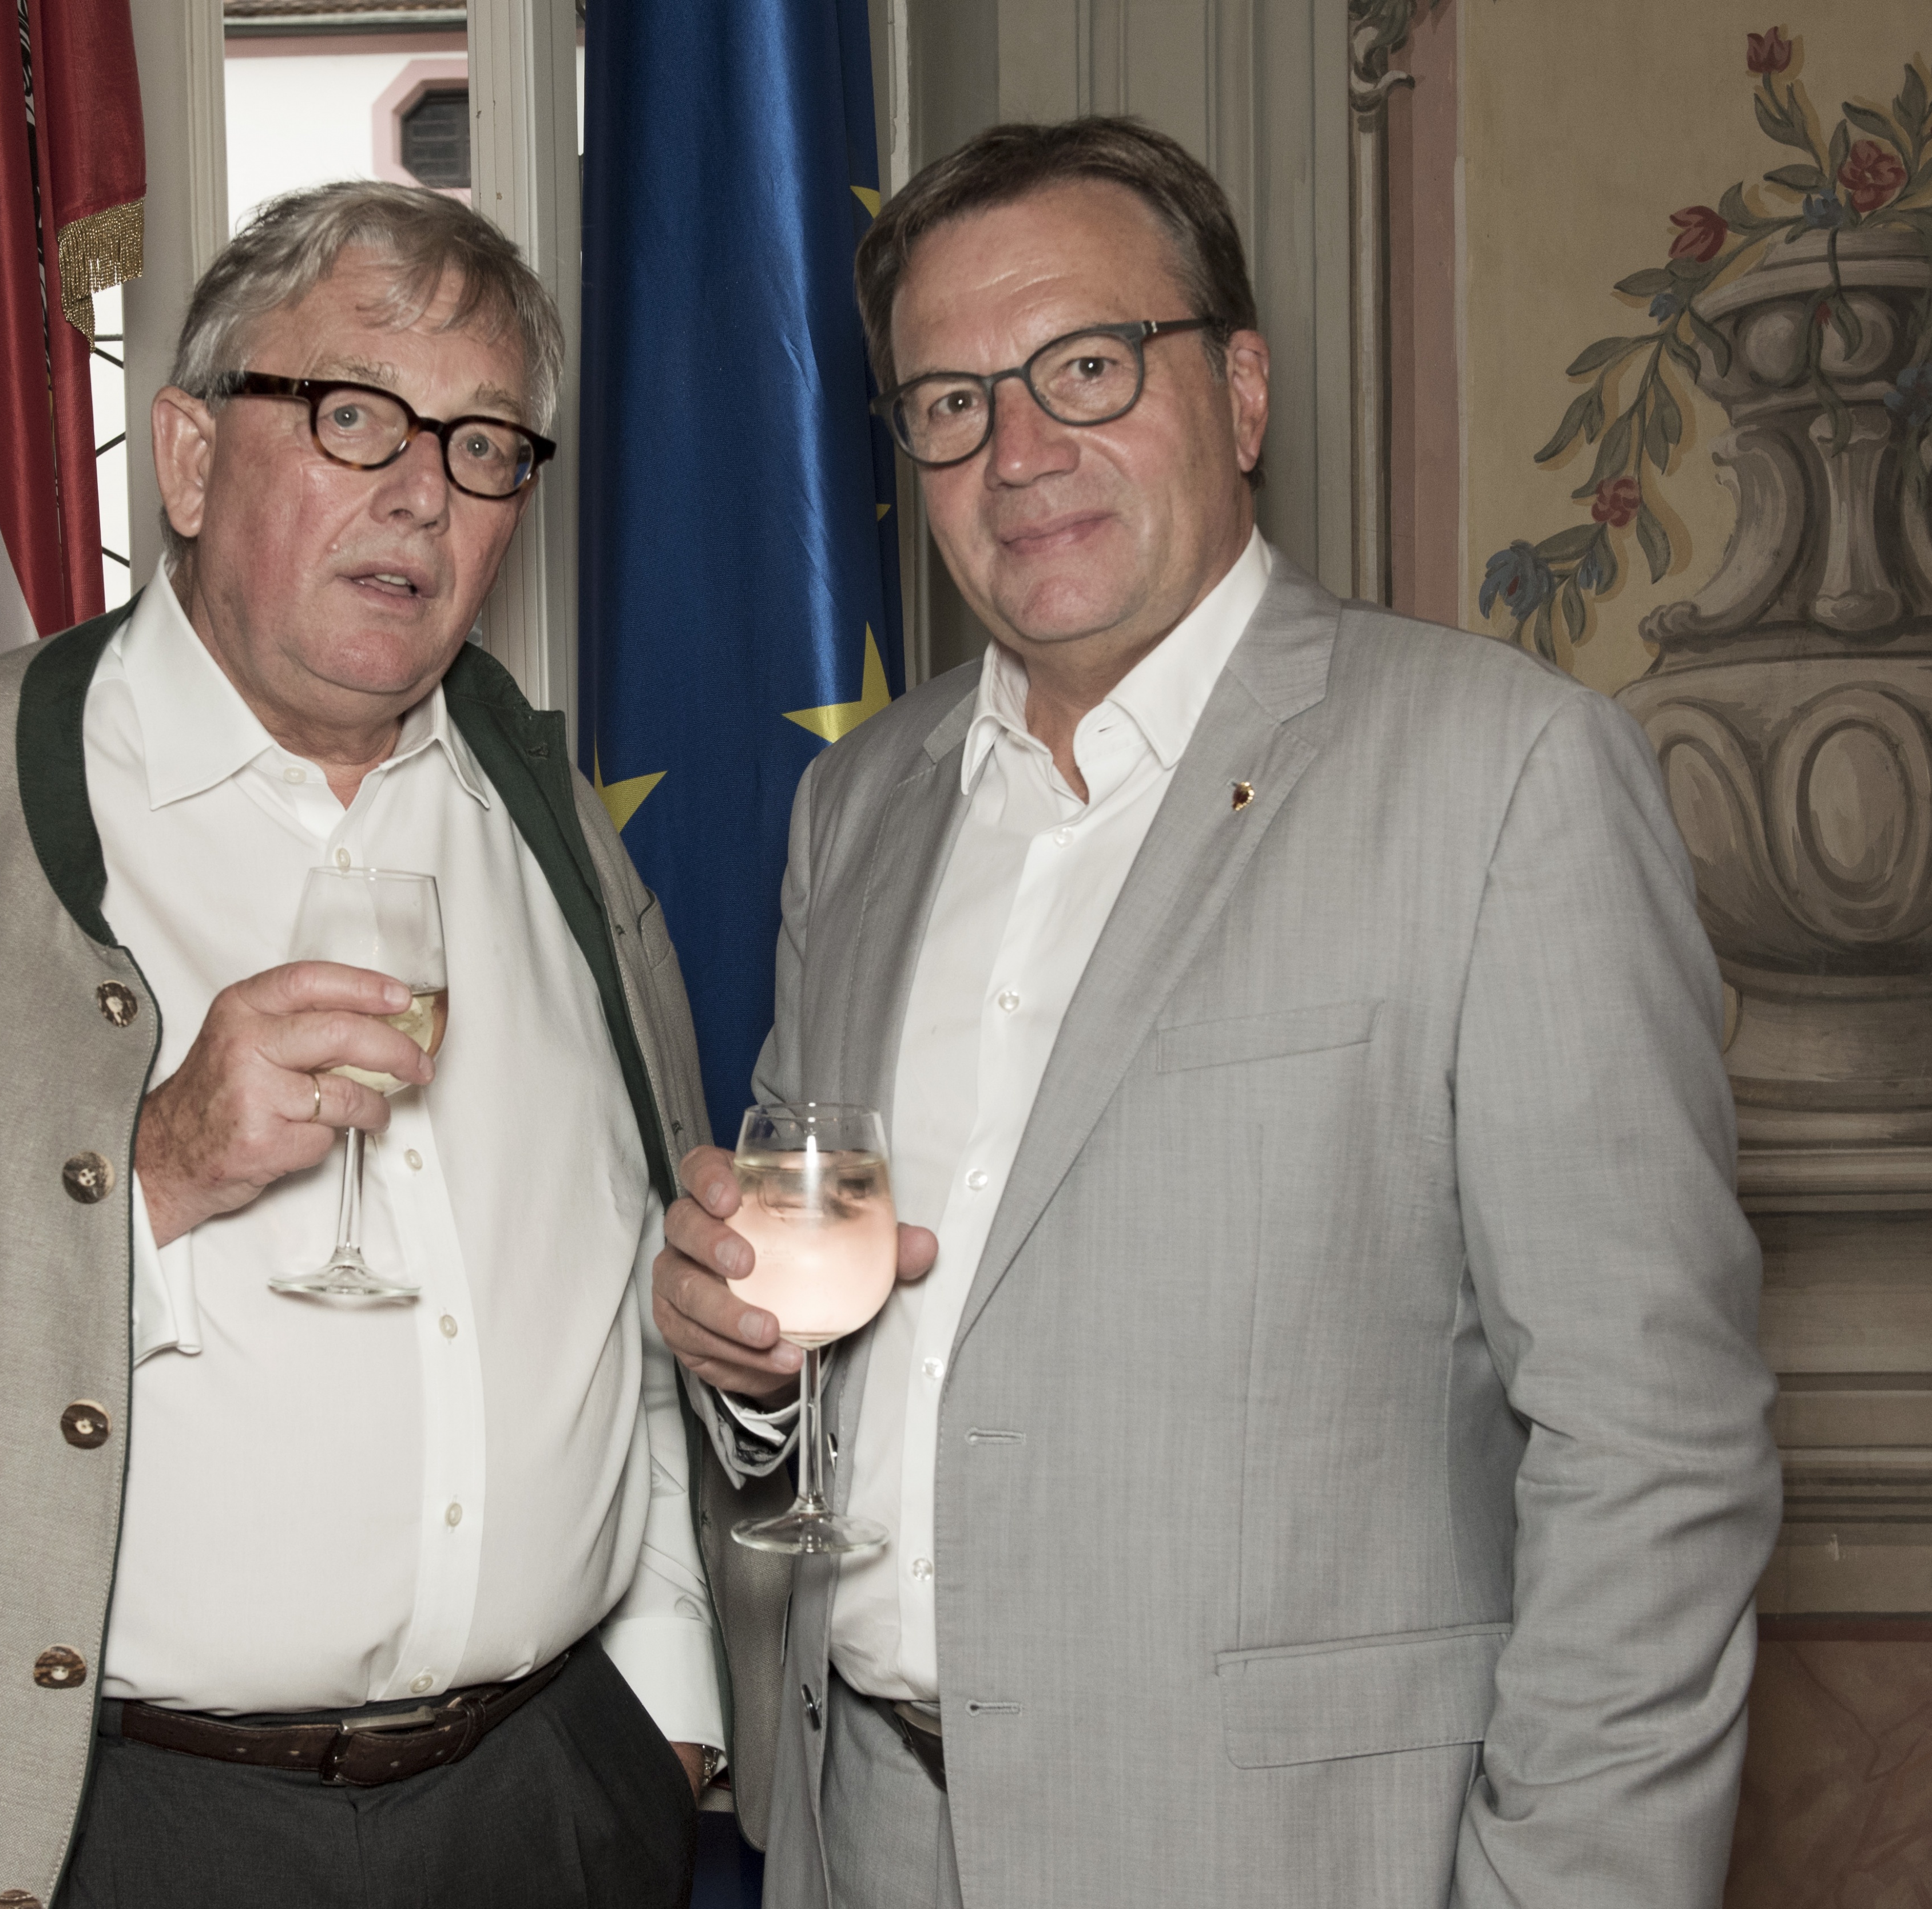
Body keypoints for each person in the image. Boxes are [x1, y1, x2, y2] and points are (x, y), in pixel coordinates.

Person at [0, 181, 722, 1909]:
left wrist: (664, 1711)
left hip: (546, 1812)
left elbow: (636, 1313)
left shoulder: (562, 837)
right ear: (185, 456)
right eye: (353, 415)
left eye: (483, 447)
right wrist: (151, 1172)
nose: (422, 490)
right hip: (105, 1837)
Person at [656, 117, 1782, 1908]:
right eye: (950, 401)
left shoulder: (1502, 775)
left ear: (1241, 393)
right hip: (868, 1840)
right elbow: (847, 1356)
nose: (1020, 450)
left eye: (1088, 368)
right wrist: (746, 1362)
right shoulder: (855, 810)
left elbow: (1655, 1451)